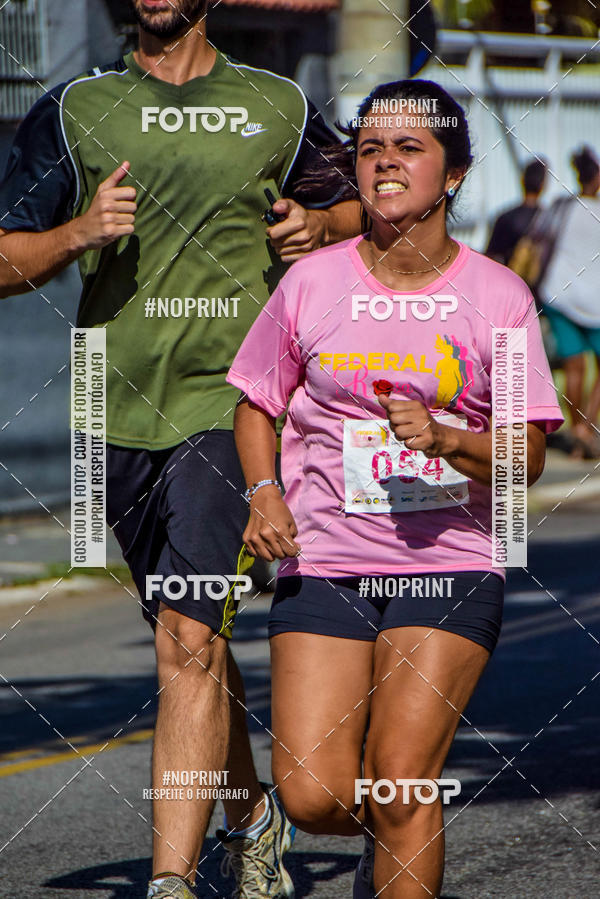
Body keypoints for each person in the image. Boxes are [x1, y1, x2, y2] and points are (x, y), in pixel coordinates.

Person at [0, 1, 361, 897]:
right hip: (110, 407)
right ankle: (251, 818)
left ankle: (170, 880)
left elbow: (369, 202)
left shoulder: (275, 104)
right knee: (182, 641)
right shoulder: (77, 105)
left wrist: (321, 227)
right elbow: (5, 257)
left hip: (230, 406)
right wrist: (78, 233)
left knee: (190, 640)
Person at [227, 79, 564, 898]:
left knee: (402, 777)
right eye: (370, 148)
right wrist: (264, 492)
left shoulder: (499, 298)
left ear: (452, 175)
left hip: (448, 564)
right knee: (312, 791)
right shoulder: (310, 283)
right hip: (329, 558)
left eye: (408, 148)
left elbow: (526, 455)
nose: (383, 163)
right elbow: (254, 402)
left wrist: (446, 438)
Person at [538, 145, 600, 458]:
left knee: (573, 368)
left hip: (559, 295)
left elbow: (539, 240)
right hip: (595, 303)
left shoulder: (562, 207)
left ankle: (577, 431)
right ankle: (588, 429)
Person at [486, 157, 547, 265]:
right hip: (539, 281)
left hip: (508, 278)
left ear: (522, 181)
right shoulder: (548, 219)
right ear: (543, 185)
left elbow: (490, 257)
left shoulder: (505, 218)